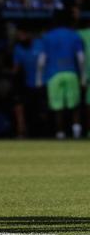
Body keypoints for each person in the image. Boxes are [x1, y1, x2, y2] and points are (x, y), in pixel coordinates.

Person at [36, 9, 86, 139]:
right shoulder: (74, 35)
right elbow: (81, 58)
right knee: (75, 106)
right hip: (71, 73)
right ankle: (76, 133)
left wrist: (39, 80)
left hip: (53, 75)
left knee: (58, 107)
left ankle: (60, 134)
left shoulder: (47, 37)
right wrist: (83, 77)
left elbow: (41, 61)